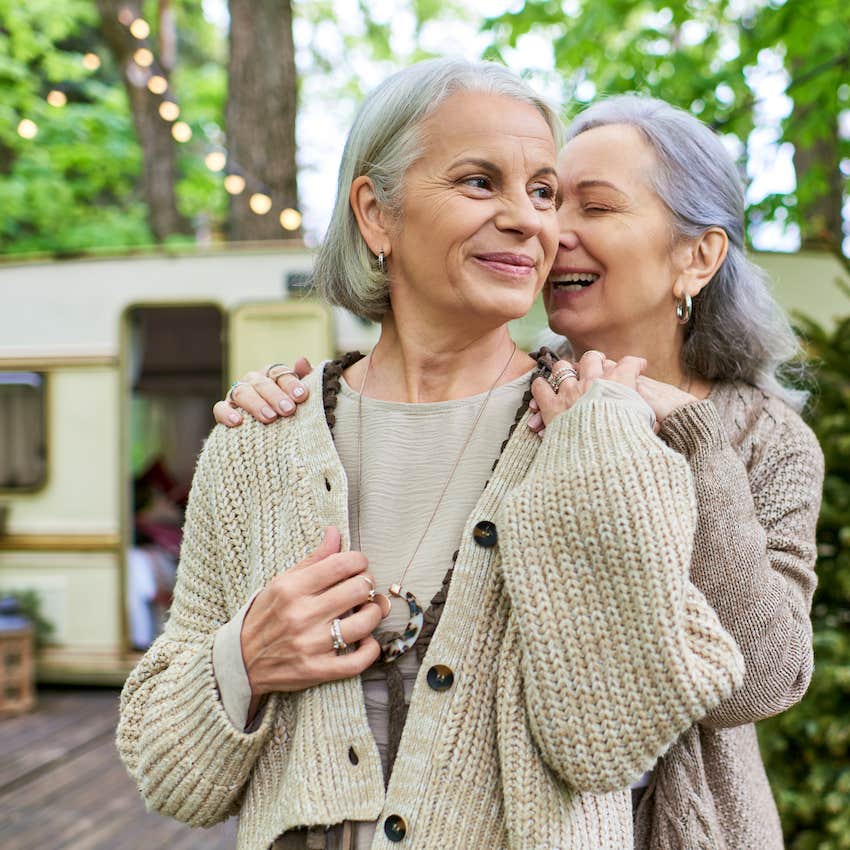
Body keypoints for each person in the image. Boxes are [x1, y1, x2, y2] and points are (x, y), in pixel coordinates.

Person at [118, 59, 744, 850]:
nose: (529, 220)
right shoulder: (261, 445)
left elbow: (610, 740)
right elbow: (164, 770)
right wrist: (243, 658)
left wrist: (599, 473)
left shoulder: (600, 438)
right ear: (376, 214)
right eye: (481, 182)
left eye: (543, 191)